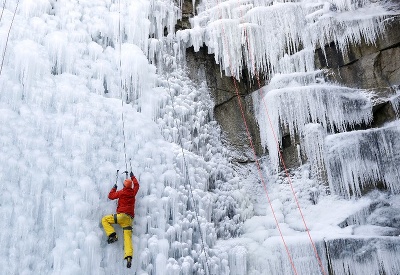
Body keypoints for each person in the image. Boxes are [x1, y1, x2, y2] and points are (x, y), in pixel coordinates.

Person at [101, 171, 140, 268]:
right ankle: (129, 257)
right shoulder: (133, 193)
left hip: (121, 216)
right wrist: (133, 176)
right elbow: (137, 185)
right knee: (128, 240)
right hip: (129, 220)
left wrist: (114, 187)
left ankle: (113, 235)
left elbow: (111, 196)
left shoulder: (122, 192)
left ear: (124, 186)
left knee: (105, 220)